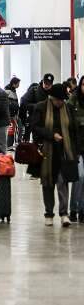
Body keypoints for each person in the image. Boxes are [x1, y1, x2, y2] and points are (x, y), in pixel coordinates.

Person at [30, 83, 78, 227]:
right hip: (47, 151)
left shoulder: (68, 108)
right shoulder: (41, 107)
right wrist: (51, 135)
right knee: (48, 183)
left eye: (62, 100)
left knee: (63, 182)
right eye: (58, 100)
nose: (60, 102)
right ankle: (48, 214)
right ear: (51, 98)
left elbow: (73, 130)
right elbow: (35, 127)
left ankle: (64, 213)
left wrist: (75, 152)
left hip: (64, 151)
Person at [67, 76, 84, 223]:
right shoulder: (73, 99)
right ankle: (73, 209)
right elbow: (68, 121)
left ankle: (82, 210)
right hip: (77, 145)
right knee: (80, 177)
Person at [20, 73, 54, 140]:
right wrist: (37, 106)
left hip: (48, 121)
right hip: (35, 120)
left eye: (49, 84)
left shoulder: (53, 92)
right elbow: (24, 102)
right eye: (45, 83)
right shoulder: (34, 90)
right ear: (42, 81)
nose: (46, 85)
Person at [5, 77, 21, 146]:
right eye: (18, 83)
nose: (19, 85)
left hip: (14, 115)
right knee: (10, 131)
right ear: (14, 84)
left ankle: (11, 145)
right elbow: (6, 104)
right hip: (10, 116)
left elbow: (15, 103)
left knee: (13, 131)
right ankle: (9, 146)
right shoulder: (7, 91)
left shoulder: (14, 91)